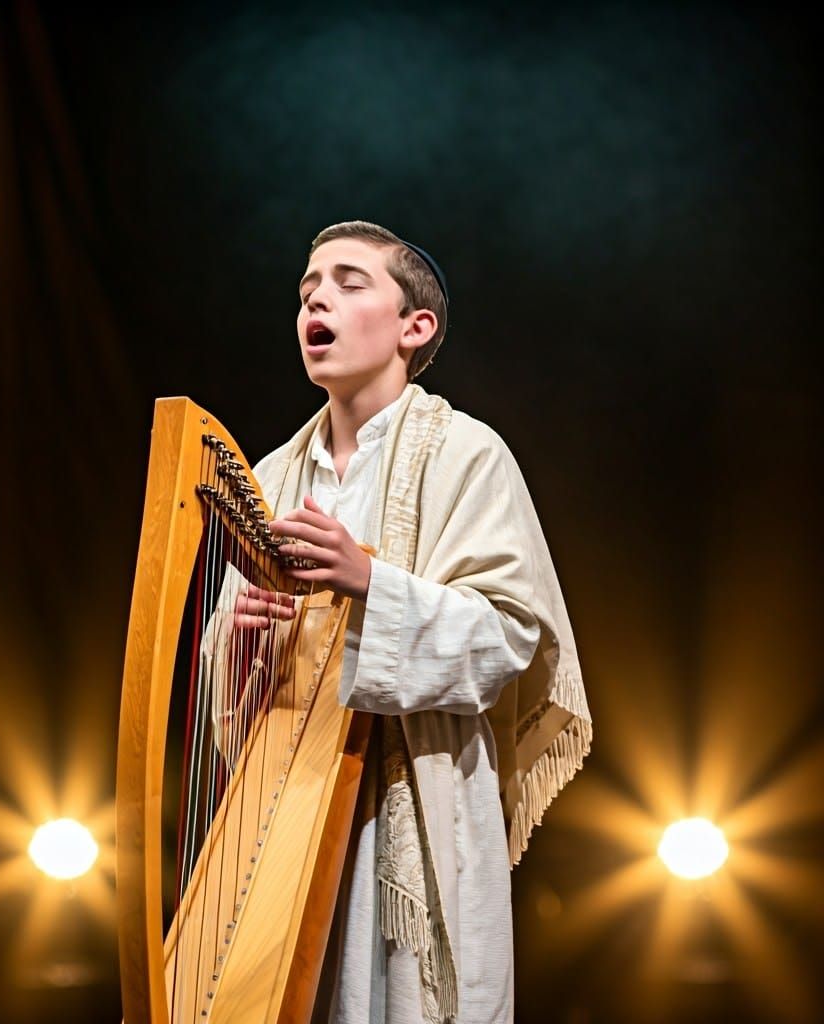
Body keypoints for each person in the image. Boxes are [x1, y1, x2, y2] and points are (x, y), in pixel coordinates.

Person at [226, 221, 591, 1023]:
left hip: (418, 798)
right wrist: (242, 645)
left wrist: (371, 584)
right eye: (307, 287)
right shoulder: (267, 480)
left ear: (413, 327)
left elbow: (508, 639)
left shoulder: (467, 453)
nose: (317, 296)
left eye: (350, 282)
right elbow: (229, 704)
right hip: (290, 817)